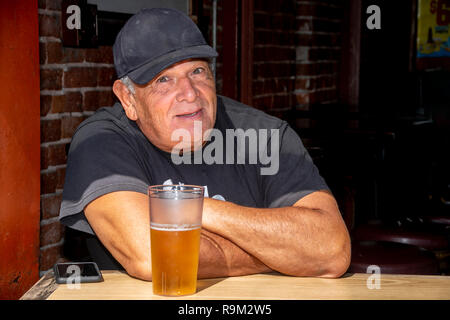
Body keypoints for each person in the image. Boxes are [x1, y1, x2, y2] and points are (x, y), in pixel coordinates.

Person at [59, 8, 351, 281]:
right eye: (164, 79)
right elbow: (157, 257)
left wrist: (197, 209)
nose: (189, 93)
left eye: (198, 71)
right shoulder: (101, 141)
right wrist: (285, 254)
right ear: (127, 98)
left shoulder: (266, 134)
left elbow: (332, 250)